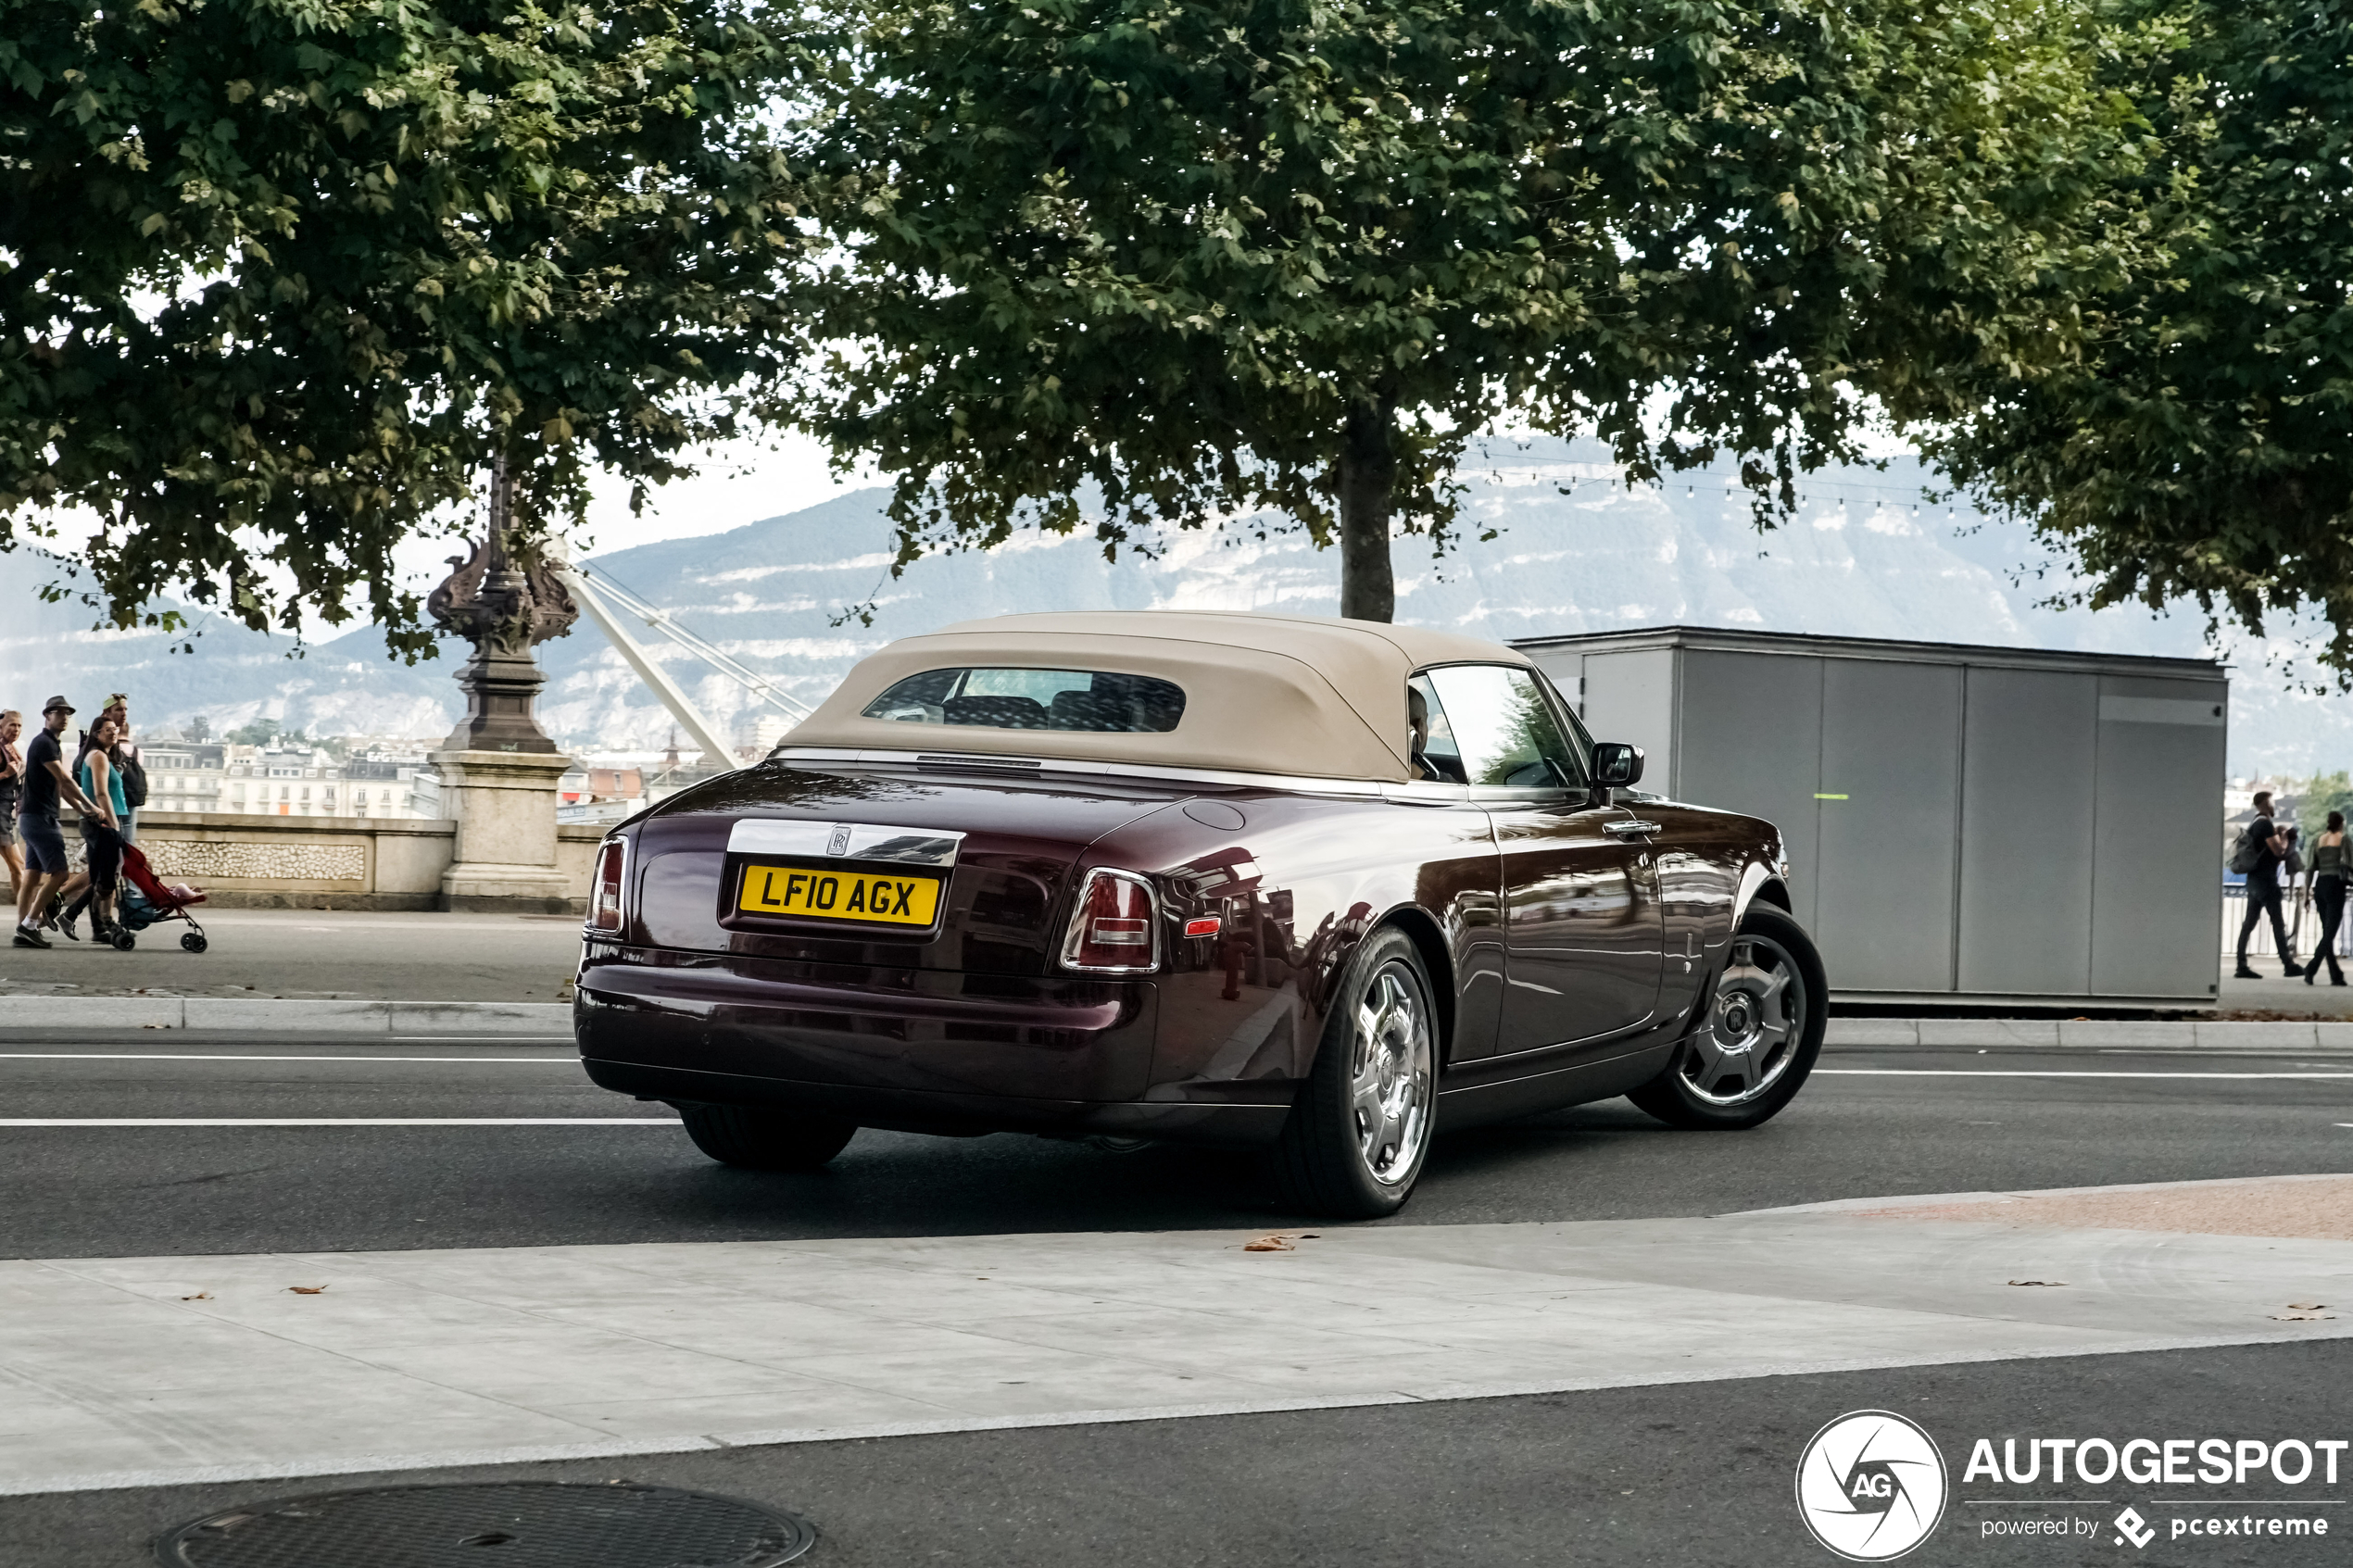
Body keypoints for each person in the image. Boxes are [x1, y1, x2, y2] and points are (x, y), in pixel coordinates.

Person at [14, 696, 105, 948]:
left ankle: (24, 928)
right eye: (59, 713)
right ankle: (29, 925)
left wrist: (82, 811)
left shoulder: (49, 743)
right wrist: (92, 806)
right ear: (47, 715)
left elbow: (61, 789)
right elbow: (66, 781)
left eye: (67, 713)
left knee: (31, 877)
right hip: (41, 819)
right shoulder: (45, 744)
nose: (64, 717)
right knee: (60, 873)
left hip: (31, 818)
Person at [59, 714, 130, 946]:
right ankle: (103, 920)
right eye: (107, 729)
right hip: (101, 822)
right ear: (96, 734)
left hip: (98, 821)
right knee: (106, 876)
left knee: (102, 874)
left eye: (115, 729)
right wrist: (114, 824)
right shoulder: (98, 756)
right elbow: (101, 793)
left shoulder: (103, 756)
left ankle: (72, 915)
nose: (113, 732)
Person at [2233, 790, 2298, 979]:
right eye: (2271, 802)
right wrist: (2286, 837)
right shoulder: (2264, 824)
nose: (2274, 806)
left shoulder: (2254, 824)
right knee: (2278, 923)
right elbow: (2279, 852)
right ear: (2263, 803)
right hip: (2266, 881)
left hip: (2253, 879)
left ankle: (2241, 965)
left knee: (2249, 924)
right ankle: (2288, 964)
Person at [2305, 811, 2349, 986]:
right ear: (2341, 823)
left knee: (2327, 931)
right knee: (2330, 932)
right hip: (2336, 885)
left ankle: (2335, 975)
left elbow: (2309, 868)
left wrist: (2306, 894)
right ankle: (2312, 967)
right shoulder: (2344, 839)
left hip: (2320, 885)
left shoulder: (2318, 840)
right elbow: (2350, 863)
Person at [98, 694, 145, 845]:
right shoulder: (102, 741)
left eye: (125, 709)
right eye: (119, 709)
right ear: (106, 713)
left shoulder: (106, 741)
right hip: (109, 806)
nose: (124, 713)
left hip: (122, 802)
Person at [0, 710, 22, 901]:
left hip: (6, 814)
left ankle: (28, 915)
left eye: (19, 725)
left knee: (18, 866)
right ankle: (29, 916)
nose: (16, 729)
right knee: (18, 867)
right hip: (0, 816)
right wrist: (6, 774)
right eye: (12, 725)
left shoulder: (10, 748)